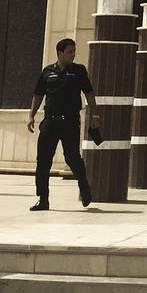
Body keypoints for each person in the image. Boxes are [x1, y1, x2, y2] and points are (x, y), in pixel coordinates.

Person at [26, 37, 97, 210]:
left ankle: (84, 187)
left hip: (70, 122)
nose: (73, 55)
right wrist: (31, 115)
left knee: (72, 158)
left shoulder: (79, 71)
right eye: (69, 52)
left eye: (74, 51)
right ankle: (43, 199)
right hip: (50, 121)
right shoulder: (47, 71)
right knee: (43, 161)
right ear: (60, 53)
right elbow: (38, 94)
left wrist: (94, 116)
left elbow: (89, 93)